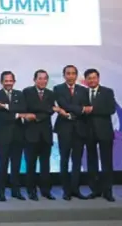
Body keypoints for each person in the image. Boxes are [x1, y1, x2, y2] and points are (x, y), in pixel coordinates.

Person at [53, 65, 88, 200]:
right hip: (64, 129)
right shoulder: (58, 89)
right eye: (68, 73)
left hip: (79, 129)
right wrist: (81, 109)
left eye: (73, 73)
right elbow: (64, 105)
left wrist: (79, 110)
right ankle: (66, 190)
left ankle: (75, 189)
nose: (71, 76)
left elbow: (83, 106)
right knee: (64, 160)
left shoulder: (83, 90)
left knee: (77, 161)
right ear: (64, 75)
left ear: (76, 75)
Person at [22, 69, 58, 201]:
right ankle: (31, 191)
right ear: (34, 79)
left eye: (45, 78)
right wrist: (47, 109)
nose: (42, 81)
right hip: (30, 134)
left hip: (46, 135)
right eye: (40, 78)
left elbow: (50, 110)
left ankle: (45, 191)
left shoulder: (51, 93)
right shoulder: (27, 92)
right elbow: (28, 107)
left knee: (45, 165)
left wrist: (36, 115)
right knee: (30, 165)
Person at [0, 71, 26, 201]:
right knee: (2, 165)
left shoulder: (20, 94)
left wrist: (7, 107)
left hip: (18, 136)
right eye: (6, 81)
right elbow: (0, 116)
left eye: (11, 81)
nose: (8, 83)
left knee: (16, 165)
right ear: (1, 82)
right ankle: (1, 191)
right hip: (2, 137)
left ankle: (15, 191)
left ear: (14, 81)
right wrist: (17, 115)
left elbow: (23, 107)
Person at [84, 68, 116, 202]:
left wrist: (93, 109)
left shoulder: (108, 92)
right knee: (91, 163)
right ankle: (95, 190)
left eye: (94, 77)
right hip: (88, 132)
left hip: (104, 132)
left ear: (98, 78)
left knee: (107, 162)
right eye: (89, 78)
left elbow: (111, 109)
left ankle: (107, 191)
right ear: (86, 80)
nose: (92, 80)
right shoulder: (83, 92)